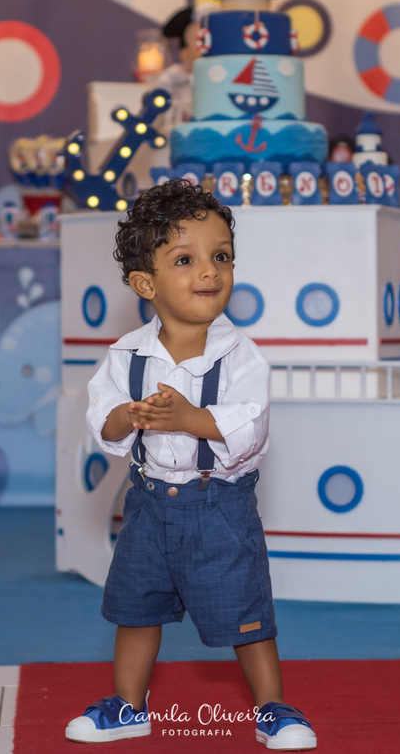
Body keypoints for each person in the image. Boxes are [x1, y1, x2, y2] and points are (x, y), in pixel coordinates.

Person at [65, 180, 317, 750]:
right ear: (145, 283)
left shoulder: (241, 356)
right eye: (186, 260)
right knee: (137, 608)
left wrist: (189, 418)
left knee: (245, 611)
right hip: (149, 504)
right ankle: (128, 706)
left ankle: (272, 707)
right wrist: (128, 414)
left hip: (218, 507)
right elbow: (101, 422)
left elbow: (250, 430)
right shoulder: (126, 355)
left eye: (221, 256)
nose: (209, 271)